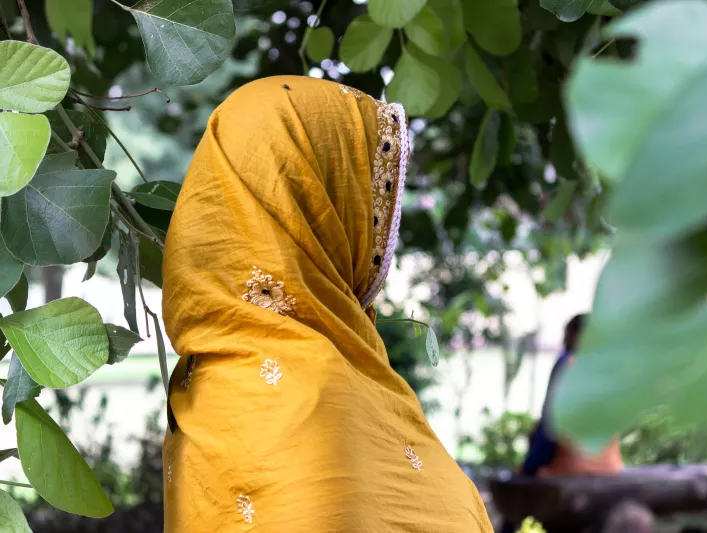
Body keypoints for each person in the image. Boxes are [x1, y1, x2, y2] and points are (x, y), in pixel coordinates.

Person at [160, 76, 493, 532]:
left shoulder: (209, 386)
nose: (381, 226)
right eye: (371, 196)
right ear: (314, 203)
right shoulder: (312, 392)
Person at [500, 315, 622, 533]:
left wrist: (527, 468)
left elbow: (550, 432)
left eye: (566, 335)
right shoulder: (610, 370)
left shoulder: (567, 362)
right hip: (610, 469)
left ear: (576, 336)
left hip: (570, 471)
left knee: (513, 500)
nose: (562, 342)